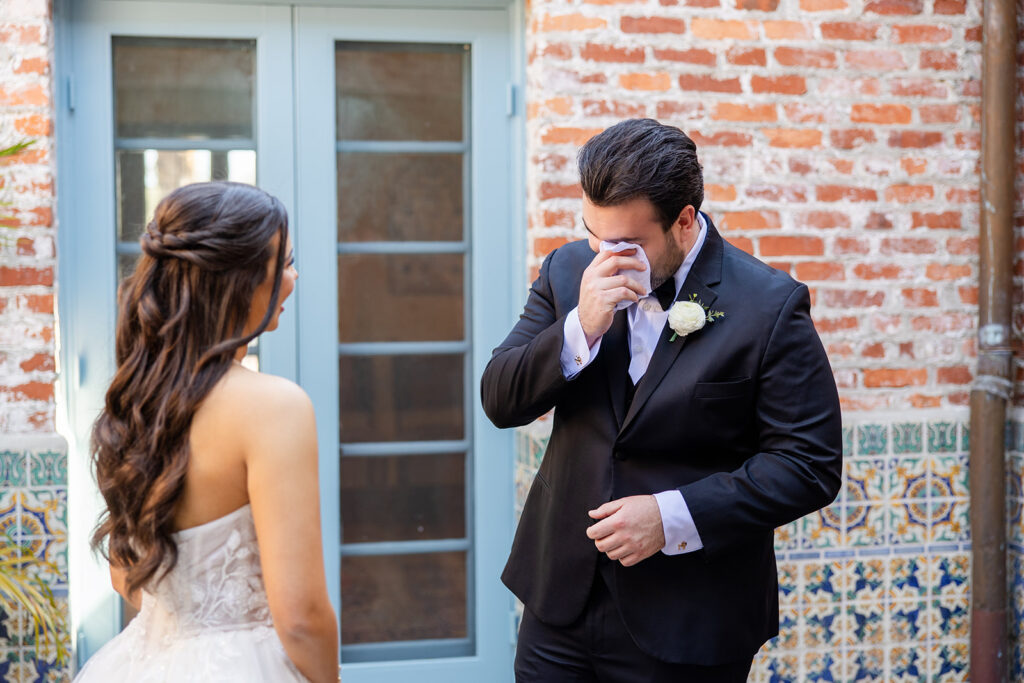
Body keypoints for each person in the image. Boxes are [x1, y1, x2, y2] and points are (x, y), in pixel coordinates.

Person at [481, 118, 842, 682]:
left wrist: (671, 516)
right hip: (559, 604)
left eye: (627, 243)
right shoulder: (568, 270)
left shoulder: (769, 307)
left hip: (689, 620)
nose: (606, 255)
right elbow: (500, 400)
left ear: (683, 220)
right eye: (594, 233)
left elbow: (808, 465)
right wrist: (582, 326)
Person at [75, 182, 339, 682]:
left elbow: (125, 576)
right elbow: (302, 616)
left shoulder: (140, 400)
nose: (294, 277)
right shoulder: (274, 406)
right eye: (283, 263)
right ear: (238, 279)